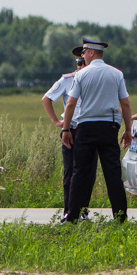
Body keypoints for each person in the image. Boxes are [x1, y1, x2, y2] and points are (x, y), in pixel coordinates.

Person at [61, 38, 133, 223]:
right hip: (109, 127)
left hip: (86, 127)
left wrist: (66, 129)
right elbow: (125, 103)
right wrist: (128, 130)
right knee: (113, 173)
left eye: (84, 52)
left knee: (80, 173)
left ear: (91, 52)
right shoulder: (116, 74)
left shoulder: (81, 75)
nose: (83, 56)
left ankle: (73, 217)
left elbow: (71, 104)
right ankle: (120, 217)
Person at [42, 57, 88, 220]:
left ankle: (83, 212)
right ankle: (69, 212)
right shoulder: (68, 80)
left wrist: (128, 117)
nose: (81, 65)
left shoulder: (95, 79)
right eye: (79, 63)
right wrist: (56, 121)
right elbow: (46, 98)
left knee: (87, 173)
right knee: (70, 172)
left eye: (84, 62)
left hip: (89, 130)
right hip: (72, 130)